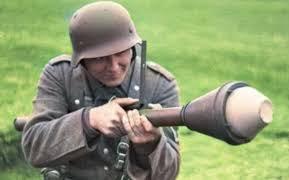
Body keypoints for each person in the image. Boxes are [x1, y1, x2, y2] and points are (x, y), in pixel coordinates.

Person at [21, 1, 180, 180]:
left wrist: (151, 145)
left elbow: (168, 175)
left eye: (121, 52)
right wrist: (89, 120)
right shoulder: (60, 74)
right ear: (81, 60)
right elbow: (34, 148)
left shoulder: (159, 84)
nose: (113, 66)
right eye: (99, 58)